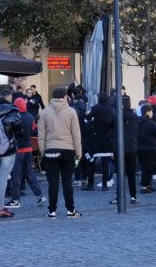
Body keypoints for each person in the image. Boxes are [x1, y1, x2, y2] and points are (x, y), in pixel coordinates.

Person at [37, 87, 83, 219]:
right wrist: (78, 152)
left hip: (50, 149)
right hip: (68, 149)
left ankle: (52, 211)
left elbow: (41, 135)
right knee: (67, 181)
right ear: (64, 96)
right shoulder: (71, 111)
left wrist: (43, 152)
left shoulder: (44, 112)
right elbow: (76, 134)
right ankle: (70, 210)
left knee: (53, 182)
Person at [0, 89, 24, 218]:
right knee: (3, 177)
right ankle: (0, 208)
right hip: (8, 149)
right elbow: (19, 131)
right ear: (9, 98)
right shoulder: (13, 111)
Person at [6, 98, 45, 208]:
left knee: (16, 175)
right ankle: (39, 195)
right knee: (30, 173)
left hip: (18, 149)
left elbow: (9, 132)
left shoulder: (14, 117)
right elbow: (33, 130)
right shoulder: (30, 117)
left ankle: (15, 200)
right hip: (28, 148)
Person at [109, 96, 139, 205]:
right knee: (131, 174)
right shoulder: (134, 116)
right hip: (131, 147)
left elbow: (110, 127)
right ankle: (133, 196)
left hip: (119, 148)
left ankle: (119, 196)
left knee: (120, 173)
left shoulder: (117, 115)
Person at [85, 93, 115, 191]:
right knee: (105, 162)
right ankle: (104, 185)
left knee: (92, 161)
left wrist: (92, 123)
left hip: (96, 137)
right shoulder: (111, 109)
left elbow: (87, 119)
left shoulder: (95, 108)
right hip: (107, 138)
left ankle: (90, 184)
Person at [137, 104, 156, 193]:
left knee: (144, 167)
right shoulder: (151, 123)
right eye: (151, 111)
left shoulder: (138, 121)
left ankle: (148, 185)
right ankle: (144, 186)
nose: (152, 113)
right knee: (148, 168)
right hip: (149, 147)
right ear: (147, 112)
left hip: (139, 147)